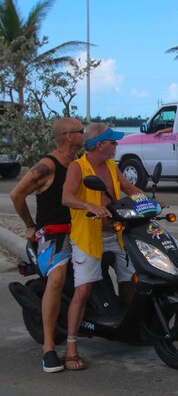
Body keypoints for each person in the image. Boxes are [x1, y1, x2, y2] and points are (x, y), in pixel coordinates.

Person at [61, 123, 143, 370]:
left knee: (132, 281)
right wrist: (88, 206)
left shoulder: (110, 166)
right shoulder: (78, 167)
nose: (117, 145)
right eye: (113, 142)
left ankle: (132, 327)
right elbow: (66, 197)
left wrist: (148, 201)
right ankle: (71, 346)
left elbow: (128, 189)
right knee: (83, 291)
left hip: (116, 234)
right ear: (100, 145)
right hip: (87, 236)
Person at [9, 117, 85, 373]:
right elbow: (16, 193)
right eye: (80, 130)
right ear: (68, 136)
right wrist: (30, 225)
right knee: (57, 278)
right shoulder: (48, 165)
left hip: (80, 231)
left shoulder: (76, 164)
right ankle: (49, 347)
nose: (83, 133)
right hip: (53, 235)